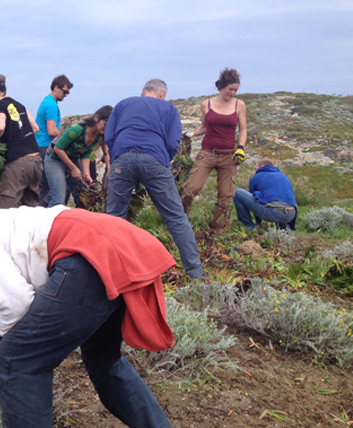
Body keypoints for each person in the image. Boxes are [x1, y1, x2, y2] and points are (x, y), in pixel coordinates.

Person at [0, 201, 177, 428]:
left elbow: (17, 303)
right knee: (103, 360)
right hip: (107, 244)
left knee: (15, 363)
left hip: (86, 250)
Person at [105, 79, 204, 280]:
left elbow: (109, 137)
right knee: (176, 218)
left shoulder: (123, 104)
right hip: (154, 160)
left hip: (122, 160)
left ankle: (108, 273)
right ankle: (196, 274)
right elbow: (172, 142)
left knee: (113, 219)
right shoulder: (168, 108)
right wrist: (161, 161)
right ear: (162, 94)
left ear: (143, 93)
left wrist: (119, 157)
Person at [180, 68, 248, 228]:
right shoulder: (207, 104)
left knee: (225, 196)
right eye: (230, 89)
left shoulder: (240, 105)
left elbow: (243, 129)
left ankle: (216, 230)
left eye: (236, 90)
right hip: (207, 153)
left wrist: (241, 148)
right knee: (191, 188)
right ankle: (179, 223)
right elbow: (203, 127)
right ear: (221, 86)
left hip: (229, 156)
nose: (232, 93)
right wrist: (190, 134)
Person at [0, 73, 42, 208]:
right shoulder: (19, 105)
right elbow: (35, 127)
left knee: (6, 210)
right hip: (36, 161)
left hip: (18, 163)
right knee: (31, 207)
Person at [44, 105, 112, 208]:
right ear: (97, 118)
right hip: (55, 159)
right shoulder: (77, 129)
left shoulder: (99, 135)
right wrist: (73, 168)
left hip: (73, 159)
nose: (106, 129)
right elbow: (58, 148)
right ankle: (48, 222)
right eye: (105, 124)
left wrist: (86, 174)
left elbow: (86, 154)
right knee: (58, 199)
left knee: (83, 196)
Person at [35, 74, 73, 206]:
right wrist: (66, 136)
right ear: (56, 87)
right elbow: (52, 131)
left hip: (40, 145)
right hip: (47, 147)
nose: (66, 95)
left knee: (45, 185)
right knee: (61, 183)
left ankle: (40, 211)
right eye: (65, 91)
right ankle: (48, 209)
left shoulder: (47, 102)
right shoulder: (51, 105)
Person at [233, 160, 297, 230]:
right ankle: (284, 229)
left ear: (262, 166)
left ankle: (249, 227)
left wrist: (258, 221)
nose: (254, 172)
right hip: (291, 215)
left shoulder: (257, 177)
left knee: (238, 192)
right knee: (279, 200)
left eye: (255, 169)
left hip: (273, 213)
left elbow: (254, 199)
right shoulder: (284, 177)